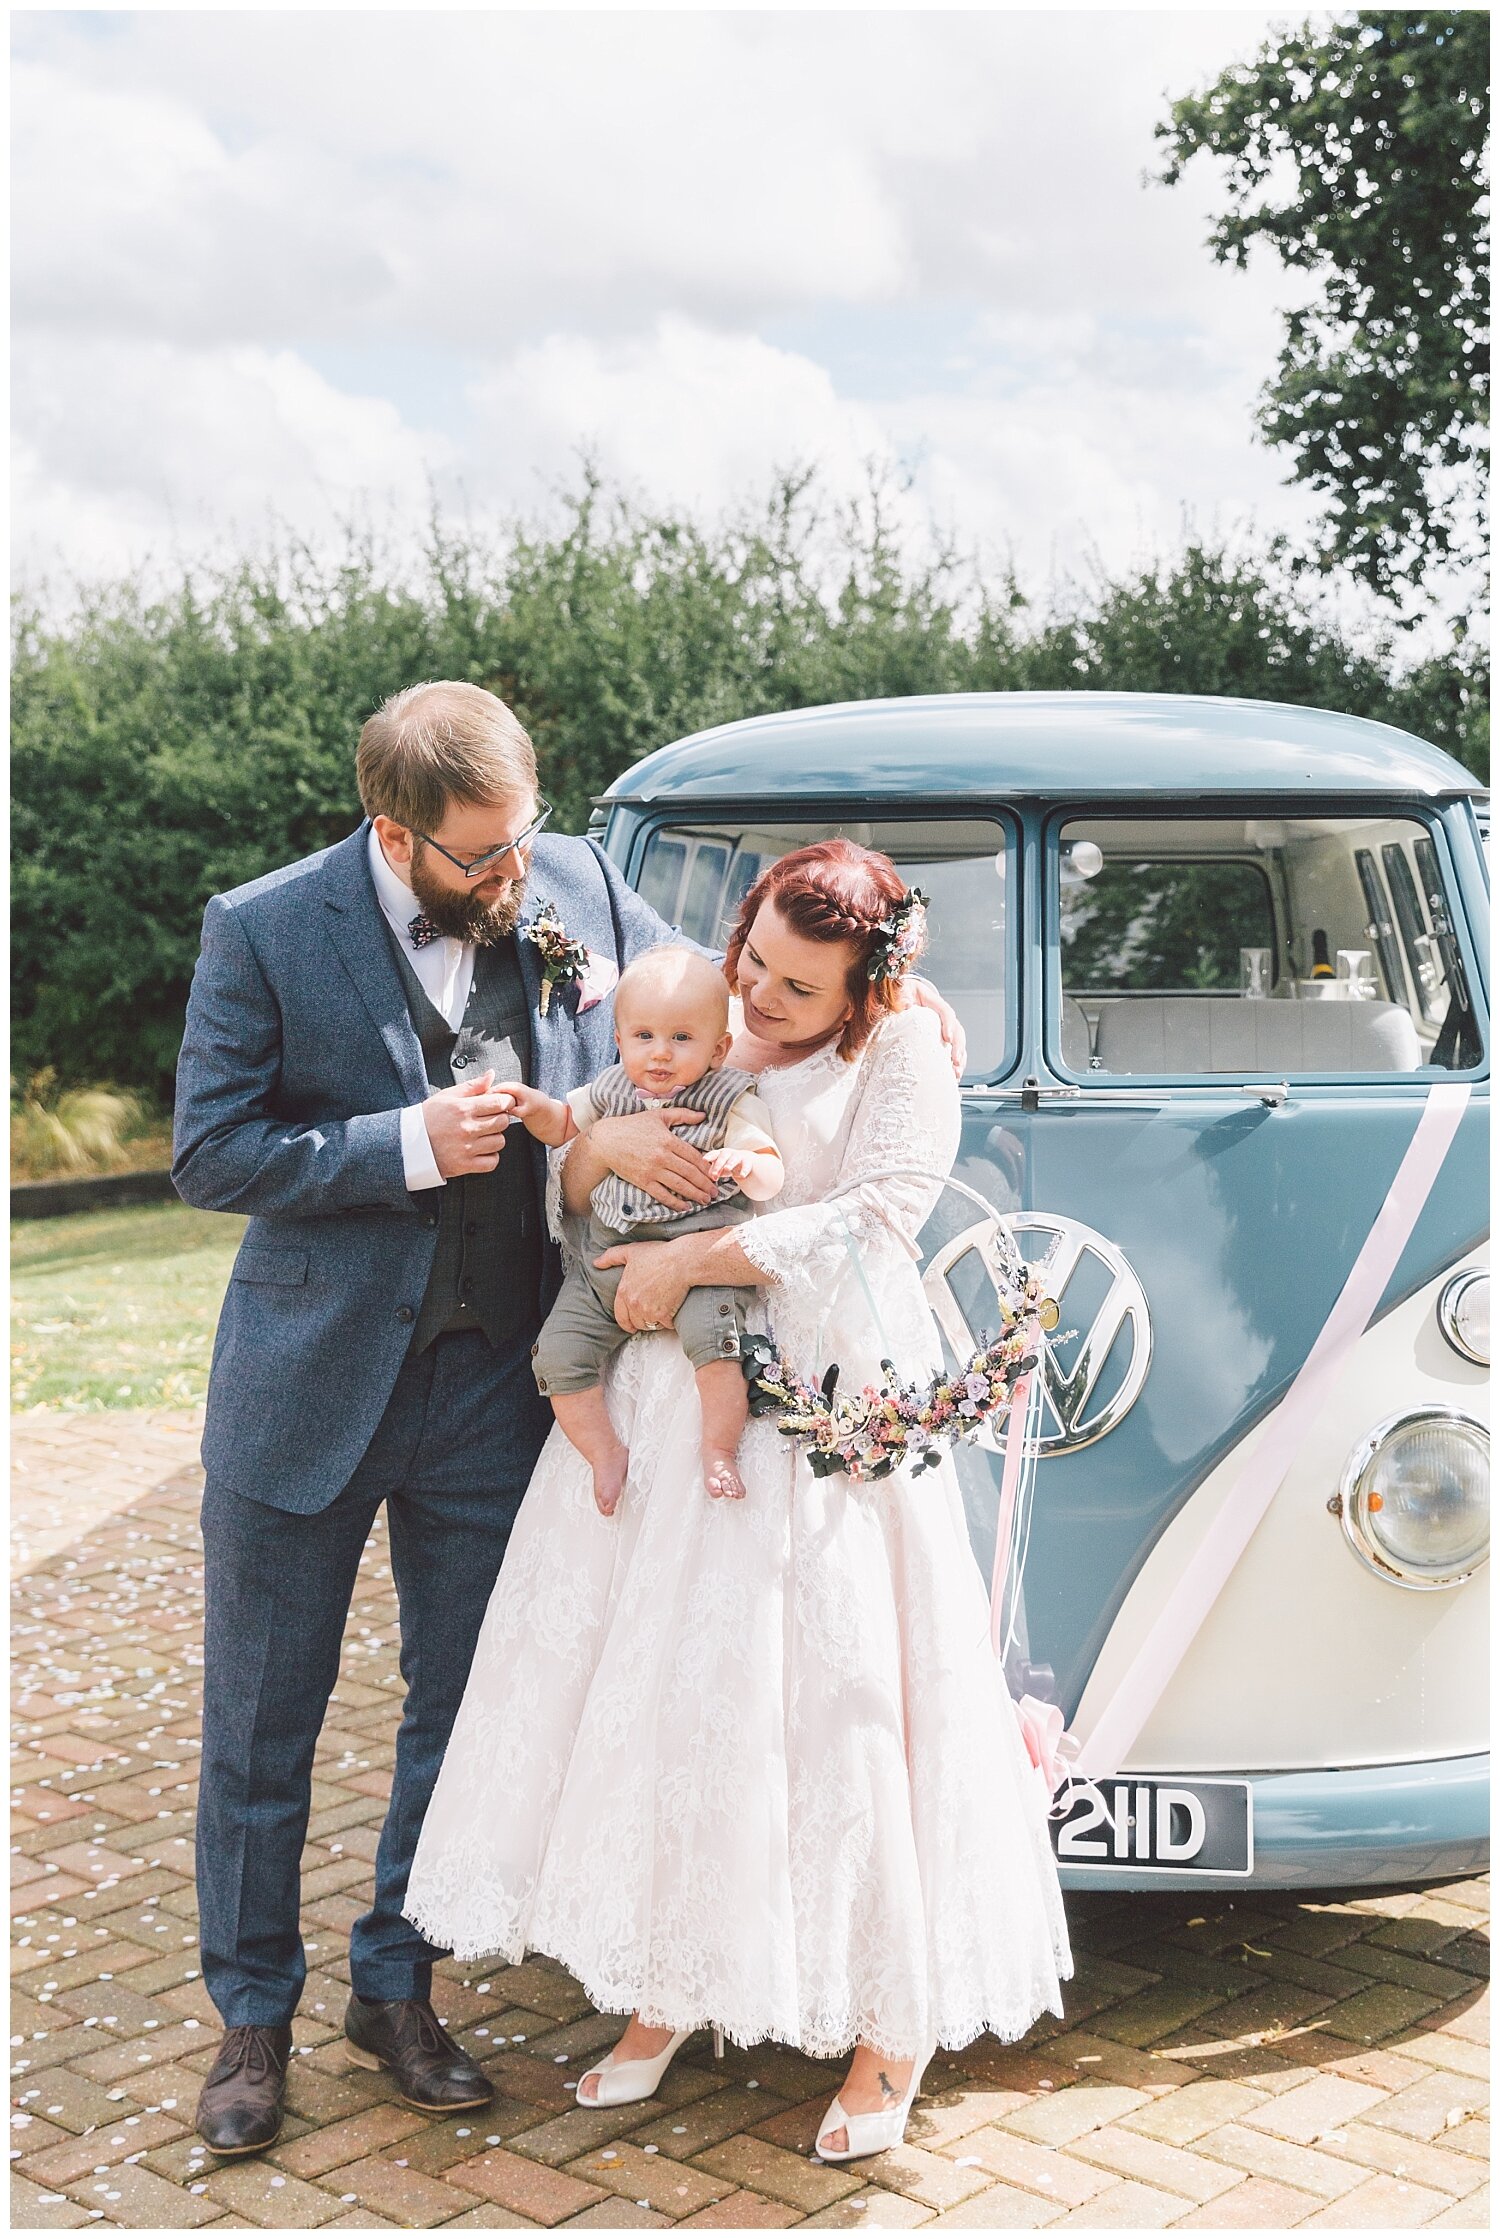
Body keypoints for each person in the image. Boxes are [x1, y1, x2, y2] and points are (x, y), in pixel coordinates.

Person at [404, 838, 1072, 2164]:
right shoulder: (698, 1014)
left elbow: (885, 1209)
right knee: (670, 1700)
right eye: (753, 959)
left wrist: (711, 1249)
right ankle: (675, 1978)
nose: (760, 998)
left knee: (843, 1710)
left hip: (827, 1407)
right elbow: (579, 1167)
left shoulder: (904, 1050)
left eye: (797, 989)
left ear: (867, 991)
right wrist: (603, 1169)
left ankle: (895, 2014)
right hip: (669, 1402)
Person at [172, 682, 721, 2155]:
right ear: (392, 833)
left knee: (462, 1708)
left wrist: (874, 998)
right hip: (309, 1386)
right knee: (261, 1724)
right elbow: (210, 1147)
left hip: (501, 1385)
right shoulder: (264, 925)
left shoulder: (577, 877)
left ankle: (395, 1981)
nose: (514, 878)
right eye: (481, 857)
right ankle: (251, 2013)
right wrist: (400, 1142)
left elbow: (686, 1019)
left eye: (523, 843)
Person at [502, 945, 784, 1510]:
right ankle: (605, 1453)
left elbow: (770, 1169)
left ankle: (719, 1448)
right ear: (619, 1038)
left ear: (719, 1048)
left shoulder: (731, 1095)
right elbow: (562, 1125)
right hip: (603, 1263)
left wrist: (746, 1164)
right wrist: (531, 1105)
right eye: (644, 1036)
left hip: (695, 1263)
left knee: (718, 1348)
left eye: (682, 1038)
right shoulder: (609, 1090)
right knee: (557, 1356)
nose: (660, 1053)